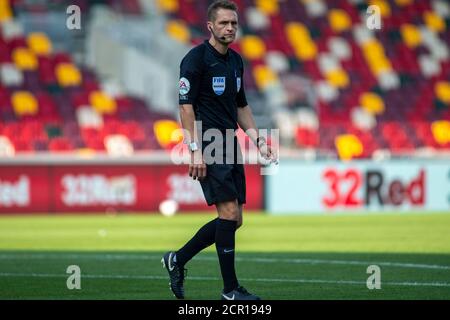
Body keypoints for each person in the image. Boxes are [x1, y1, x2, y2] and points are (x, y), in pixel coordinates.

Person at [161, 0, 276, 301]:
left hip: (231, 142)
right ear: (210, 26)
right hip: (210, 141)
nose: (230, 28)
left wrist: (259, 140)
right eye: (224, 23)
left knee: (235, 219)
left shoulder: (236, 61)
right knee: (227, 213)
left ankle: (177, 259)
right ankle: (230, 291)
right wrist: (194, 149)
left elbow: (241, 106)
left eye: (234, 23)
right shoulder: (195, 59)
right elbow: (185, 106)